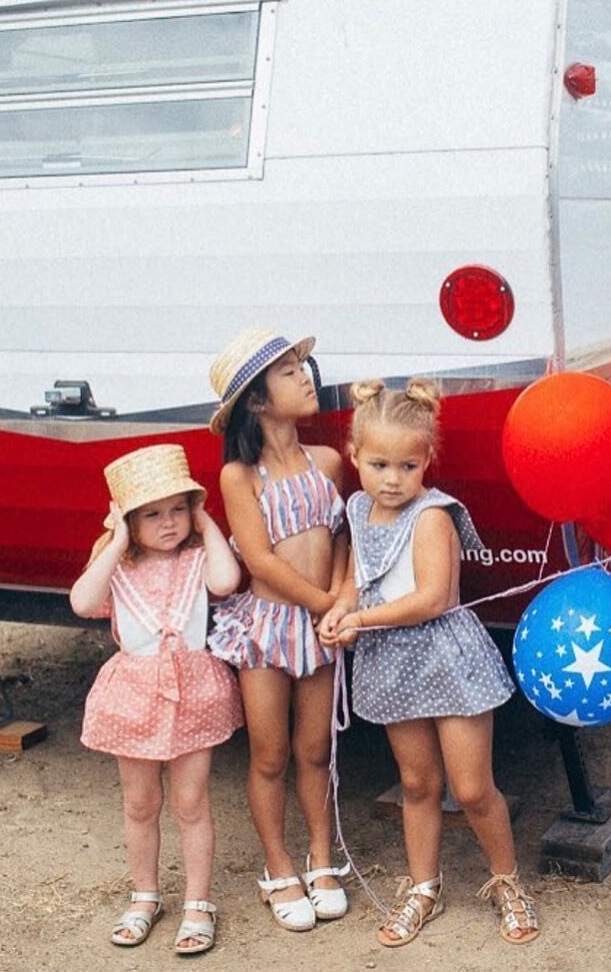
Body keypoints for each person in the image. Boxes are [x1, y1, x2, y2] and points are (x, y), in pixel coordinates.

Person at [319, 378, 539, 948]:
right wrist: (339, 612)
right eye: (380, 464)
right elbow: (352, 582)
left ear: (427, 463)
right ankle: (423, 887)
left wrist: (361, 622)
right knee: (417, 783)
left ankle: (506, 881)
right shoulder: (358, 509)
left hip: (445, 659)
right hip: (392, 664)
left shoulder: (432, 515)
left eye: (408, 467)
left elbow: (433, 599)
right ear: (355, 457)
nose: (393, 479)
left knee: (470, 788)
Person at [70, 444, 243, 955]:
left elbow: (227, 580)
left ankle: (197, 901)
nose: (168, 522)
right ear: (128, 519)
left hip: (193, 692)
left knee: (192, 803)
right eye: (151, 513)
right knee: (141, 802)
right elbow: (82, 602)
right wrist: (116, 538)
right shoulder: (118, 567)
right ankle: (145, 894)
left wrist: (206, 520)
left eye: (177, 508)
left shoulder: (196, 558)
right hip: (135, 695)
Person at [206, 326, 350, 931]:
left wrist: (342, 599)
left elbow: (342, 536)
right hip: (269, 628)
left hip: (321, 623)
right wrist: (323, 603)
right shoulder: (241, 477)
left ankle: (321, 856)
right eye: (289, 373)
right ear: (258, 401)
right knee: (269, 755)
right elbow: (260, 561)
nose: (305, 378)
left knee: (314, 749)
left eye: (303, 368)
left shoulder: (328, 462)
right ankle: (278, 863)